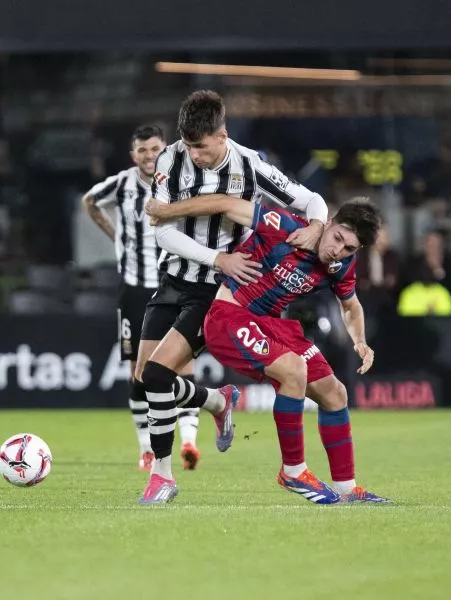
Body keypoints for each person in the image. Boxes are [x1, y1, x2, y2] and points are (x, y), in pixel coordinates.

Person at [136, 90, 334, 505]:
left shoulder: (250, 165)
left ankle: (162, 478)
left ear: (222, 135)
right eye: (190, 146)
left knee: (156, 377)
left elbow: (312, 200)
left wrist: (315, 229)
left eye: (203, 148)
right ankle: (216, 400)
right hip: (175, 278)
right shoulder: (171, 160)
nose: (197, 156)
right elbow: (163, 232)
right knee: (144, 381)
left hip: (219, 290)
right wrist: (217, 256)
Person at [146, 194, 389, 504]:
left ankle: (346, 489)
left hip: (270, 324)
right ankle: (293, 471)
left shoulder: (340, 265)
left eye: (349, 248)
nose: (336, 250)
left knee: (335, 393)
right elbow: (225, 203)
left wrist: (360, 341)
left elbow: (350, 306)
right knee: (294, 370)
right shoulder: (284, 227)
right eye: (338, 238)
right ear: (328, 224)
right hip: (229, 315)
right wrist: (167, 211)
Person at [82, 125, 204, 471]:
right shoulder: (121, 184)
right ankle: (146, 448)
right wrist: (117, 235)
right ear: (132, 154)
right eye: (142, 150)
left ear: (165, 148)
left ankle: (190, 440)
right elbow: (89, 202)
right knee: (138, 371)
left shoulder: (183, 180)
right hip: (136, 289)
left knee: (183, 363)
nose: (149, 155)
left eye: (154, 148)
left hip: (177, 284)